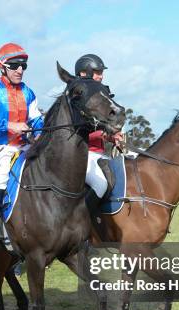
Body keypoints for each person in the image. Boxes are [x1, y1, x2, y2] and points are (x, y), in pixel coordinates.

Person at [0, 42, 44, 240]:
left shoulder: (28, 92)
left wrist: (40, 132)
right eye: (14, 65)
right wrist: (10, 125)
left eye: (23, 66)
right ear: (2, 67)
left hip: (23, 146)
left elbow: (36, 119)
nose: (20, 70)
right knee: (3, 172)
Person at [74, 54, 124, 214]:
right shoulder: (76, 99)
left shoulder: (101, 96)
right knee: (101, 185)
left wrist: (113, 136)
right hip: (82, 154)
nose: (101, 76)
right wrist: (104, 134)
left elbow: (103, 129)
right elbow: (76, 132)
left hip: (100, 154)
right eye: (97, 72)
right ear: (83, 73)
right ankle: (84, 220)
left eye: (101, 72)